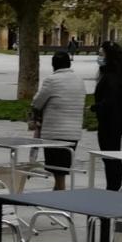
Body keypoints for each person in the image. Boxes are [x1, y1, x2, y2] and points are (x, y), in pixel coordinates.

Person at [30, 51, 84, 190]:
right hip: (73, 133)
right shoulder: (79, 80)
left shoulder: (52, 80)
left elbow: (37, 102)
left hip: (54, 133)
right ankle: (58, 192)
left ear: (53, 65)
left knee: (57, 171)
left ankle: (60, 196)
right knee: (62, 170)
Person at [92, 41, 122, 190]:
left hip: (110, 122)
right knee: (112, 156)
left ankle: (113, 188)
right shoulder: (118, 74)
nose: (99, 57)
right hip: (114, 121)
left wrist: (94, 107)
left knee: (111, 157)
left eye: (101, 54)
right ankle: (113, 186)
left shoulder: (110, 77)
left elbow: (109, 101)